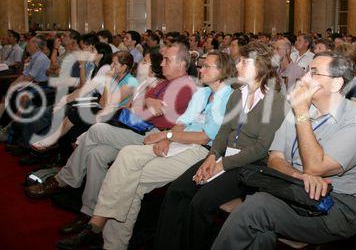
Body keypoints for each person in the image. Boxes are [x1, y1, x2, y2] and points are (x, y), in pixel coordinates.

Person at [70, 51, 235, 250]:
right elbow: (182, 123)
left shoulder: (228, 97)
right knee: (128, 155)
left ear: (223, 71)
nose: (201, 69)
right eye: (202, 65)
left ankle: (103, 233)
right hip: (177, 141)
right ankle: (104, 233)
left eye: (208, 66)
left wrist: (166, 136)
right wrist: (167, 138)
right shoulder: (203, 93)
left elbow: (204, 137)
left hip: (200, 151)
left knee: (133, 181)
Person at [25, 45, 196, 236]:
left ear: (181, 64)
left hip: (152, 136)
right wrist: (147, 102)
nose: (162, 63)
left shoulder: (184, 86)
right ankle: (88, 213)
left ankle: (63, 179)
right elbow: (139, 105)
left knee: (97, 129)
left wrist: (144, 105)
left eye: (167, 60)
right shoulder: (165, 82)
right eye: (162, 59)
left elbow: (155, 117)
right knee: (96, 154)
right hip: (137, 130)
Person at [212, 53, 356, 249]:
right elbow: (275, 158)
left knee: (256, 207)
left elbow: (315, 167)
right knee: (259, 227)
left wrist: (302, 113)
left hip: (333, 206)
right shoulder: (297, 110)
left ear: (336, 84)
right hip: (292, 191)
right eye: (306, 71)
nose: (304, 79)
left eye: (313, 73)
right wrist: (298, 176)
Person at [153, 41, 288, 250]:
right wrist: (211, 156)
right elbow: (224, 131)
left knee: (200, 203)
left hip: (250, 165)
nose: (238, 66)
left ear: (259, 65)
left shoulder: (275, 99)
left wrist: (222, 163)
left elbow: (261, 147)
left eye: (244, 61)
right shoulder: (238, 94)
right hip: (224, 157)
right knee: (177, 189)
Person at [29, 50, 138, 151]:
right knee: (75, 117)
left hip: (116, 117)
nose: (111, 66)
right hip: (104, 111)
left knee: (77, 114)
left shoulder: (130, 83)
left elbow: (104, 104)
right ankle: (54, 142)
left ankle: (52, 140)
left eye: (115, 64)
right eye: (112, 63)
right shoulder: (115, 76)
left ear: (124, 67)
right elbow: (100, 101)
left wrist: (108, 82)